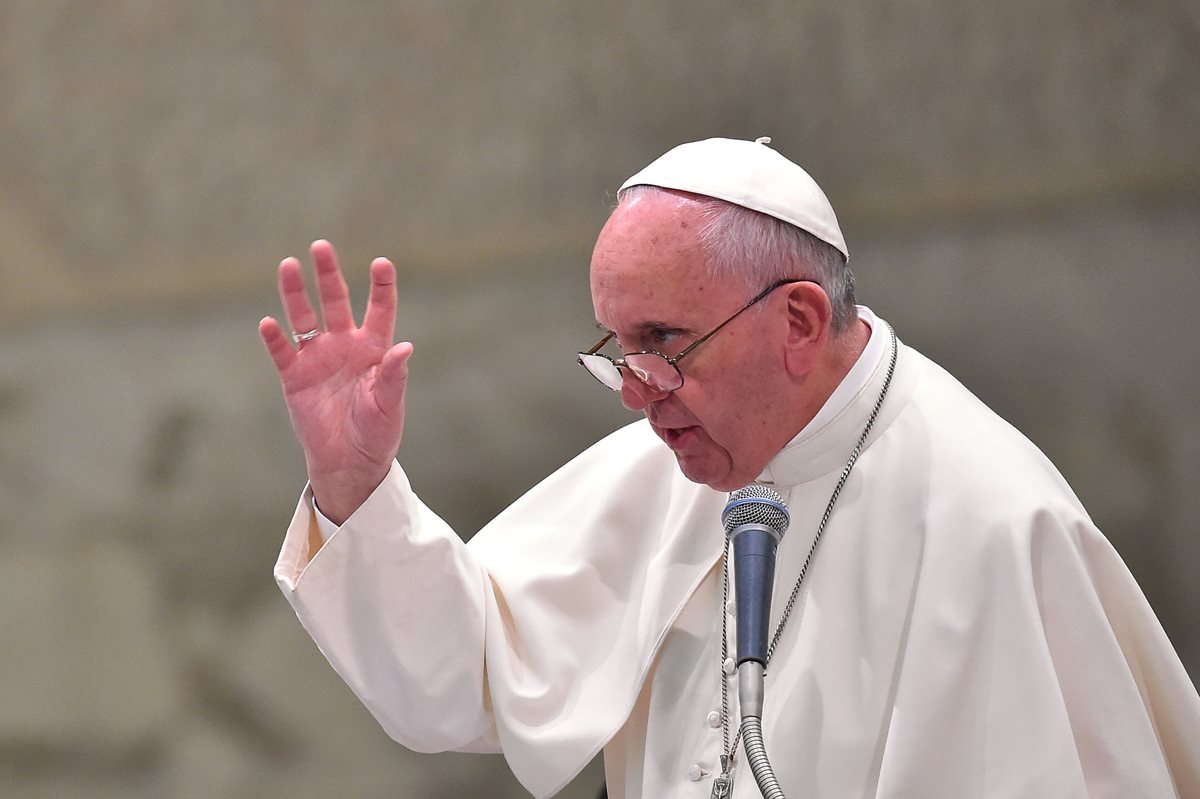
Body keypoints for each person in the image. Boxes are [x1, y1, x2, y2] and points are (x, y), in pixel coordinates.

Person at [262, 138, 1200, 799]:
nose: (635, 392)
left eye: (664, 342)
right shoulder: (671, 466)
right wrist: (355, 482)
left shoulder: (992, 519)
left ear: (796, 322)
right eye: (615, 346)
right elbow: (457, 675)